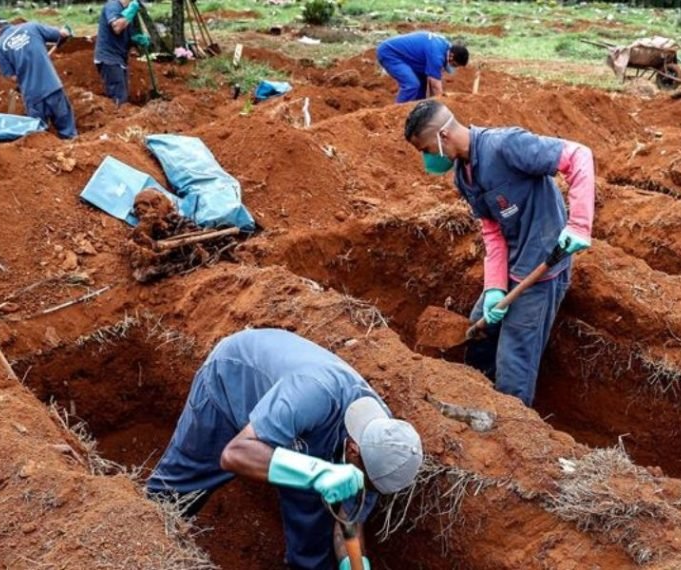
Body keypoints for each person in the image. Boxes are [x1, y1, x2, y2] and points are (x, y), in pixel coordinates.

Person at [147, 328, 423, 570]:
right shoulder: (314, 393)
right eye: (365, 483)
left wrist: (355, 565)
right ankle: (142, 548)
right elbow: (235, 454)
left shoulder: (381, 444)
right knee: (171, 499)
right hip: (232, 383)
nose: (365, 490)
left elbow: (348, 522)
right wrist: (318, 473)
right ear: (353, 449)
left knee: (313, 543)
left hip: (306, 436)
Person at [402, 100, 596, 407]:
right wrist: (494, 288)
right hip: (511, 267)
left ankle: (511, 424)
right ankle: (475, 400)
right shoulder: (464, 177)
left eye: (426, 150)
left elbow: (578, 155)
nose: (427, 160)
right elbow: (492, 232)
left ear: (443, 136)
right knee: (478, 331)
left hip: (542, 271)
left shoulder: (506, 146)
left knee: (514, 365)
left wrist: (579, 224)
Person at [0, 18, 77, 139]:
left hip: (32, 95)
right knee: (67, 128)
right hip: (52, 86)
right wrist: (66, 32)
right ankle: (71, 147)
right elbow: (62, 34)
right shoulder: (32, 27)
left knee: (38, 136)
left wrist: (24, 75)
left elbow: (12, 77)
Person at [376, 31, 469, 103]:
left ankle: (417, 112)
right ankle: (397, 113)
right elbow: (435, 85)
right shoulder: (437, 55)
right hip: (390, 53)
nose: (451, 67)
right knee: (412, 84)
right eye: (454, 64)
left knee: (421, 84)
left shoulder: (446, 47)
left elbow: (433, 87)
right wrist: (441, 105)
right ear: (451, 56)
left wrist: (434, 102)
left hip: (410, 57)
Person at [94, 0, 151, 105]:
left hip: (118, 59)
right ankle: (118, 118)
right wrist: (131, 11)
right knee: (119, 97)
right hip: (109, 59)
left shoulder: (126, 10)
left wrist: (136, 39)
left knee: (121, 94)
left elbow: (125, 35)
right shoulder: (113, 6)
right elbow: (117, 27)